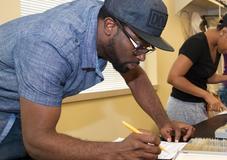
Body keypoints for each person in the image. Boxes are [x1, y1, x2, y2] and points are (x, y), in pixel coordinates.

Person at [0, 0, 195, 159]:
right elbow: (37, 142)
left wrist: (164, 123)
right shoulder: (49, 46)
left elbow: (134, 76)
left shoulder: (107, 20)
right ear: (109, 26)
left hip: (22, 109)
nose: (142, 56)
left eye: (146, 48)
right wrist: (117, 151)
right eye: (139, 46)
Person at [166, 12, 227, 125]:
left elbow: (207, 77)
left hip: (197, 106)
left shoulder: (216, 47)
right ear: (223, 32)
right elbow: (173, 78)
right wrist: (206, 95)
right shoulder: (197, 43)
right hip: (181, 107)